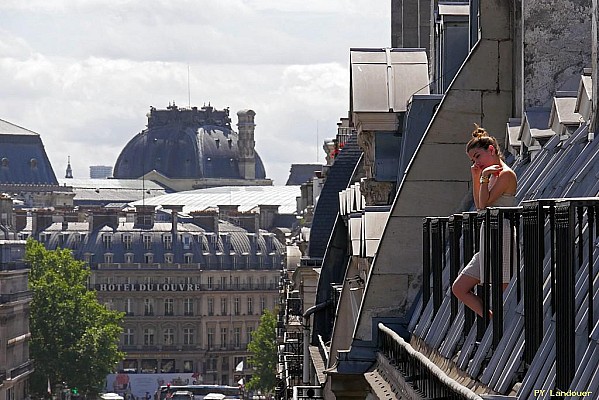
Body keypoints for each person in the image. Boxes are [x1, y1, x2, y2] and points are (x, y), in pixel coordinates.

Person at [451, 125, 517, 317]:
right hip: (488, 233)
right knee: (459, 288)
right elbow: (480, 204)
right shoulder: (488, 175)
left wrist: (484, 179)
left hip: (501, 232)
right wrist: (477, 177)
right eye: (472, 160)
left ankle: (497, 326)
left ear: (491, 150)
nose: (476, 163)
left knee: (499, 287)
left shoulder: (505, 174)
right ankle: (490, 319)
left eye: (477, 156)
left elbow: (484, 203)